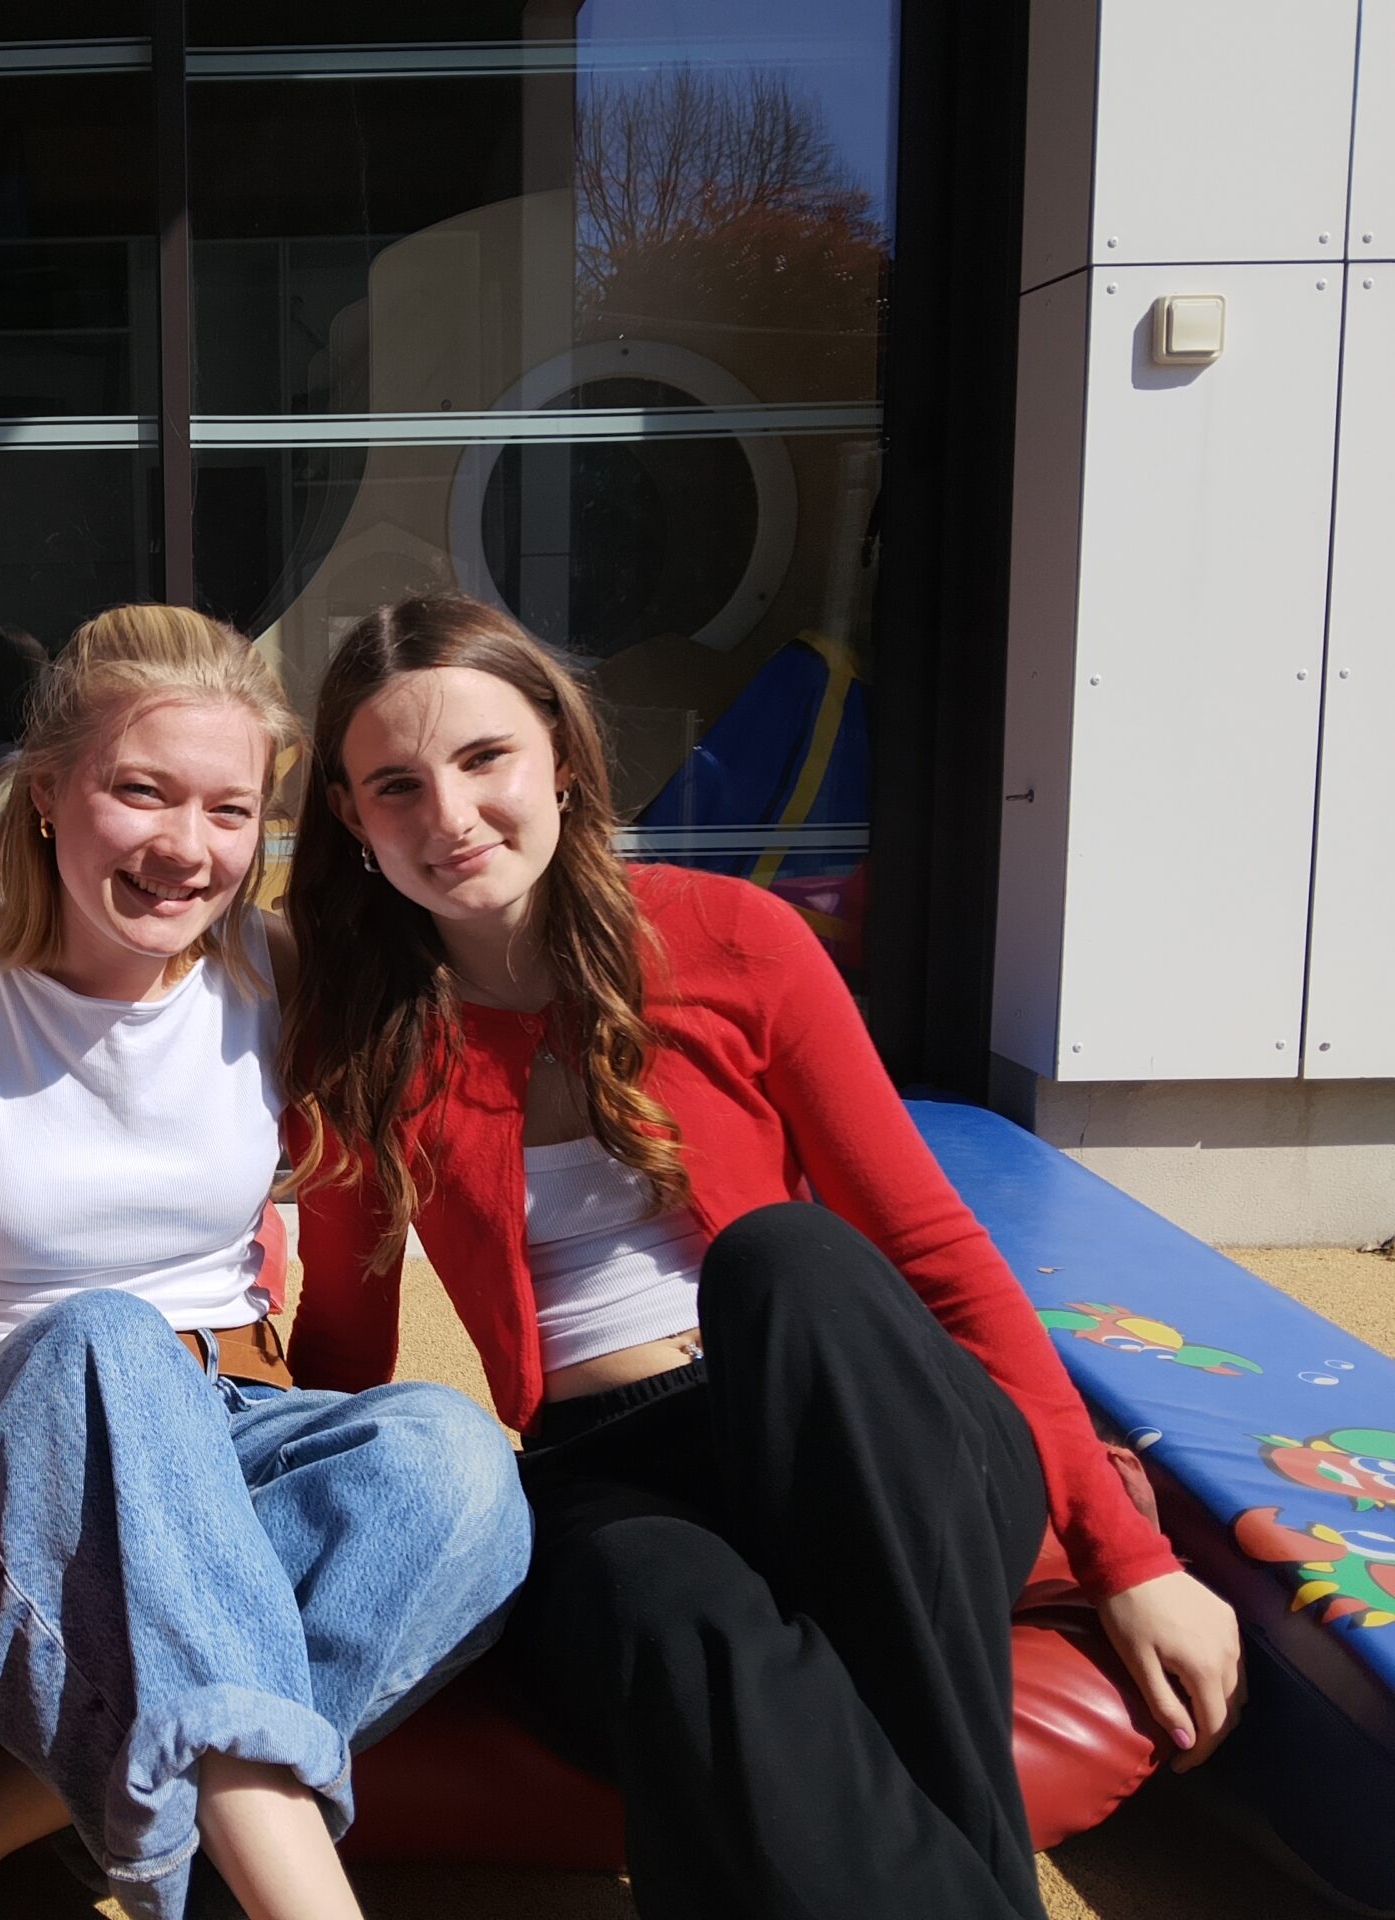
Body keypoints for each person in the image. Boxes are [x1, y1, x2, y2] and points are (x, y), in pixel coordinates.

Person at [279, 592, 1244, 1920]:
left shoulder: (733, 939)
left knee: (786, 1261)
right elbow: (344, 1352)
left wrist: (1132, 1561)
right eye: (397, 785)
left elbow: (937, 1257)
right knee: (663, 1610)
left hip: (853, 1431)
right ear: (350, 816)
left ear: (561, 756)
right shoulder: (356, 1037)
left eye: (483, 757)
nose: (448, 814)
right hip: (609, 1468)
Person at [0, 604, 526, 1920]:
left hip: (232, 1418)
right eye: (141, 793)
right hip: (12, 1443)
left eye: (230, 811)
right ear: (45, 792)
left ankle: (8, 1816)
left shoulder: (272, 975)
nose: (188, 848)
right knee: (106, 1332)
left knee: (454, 1459)